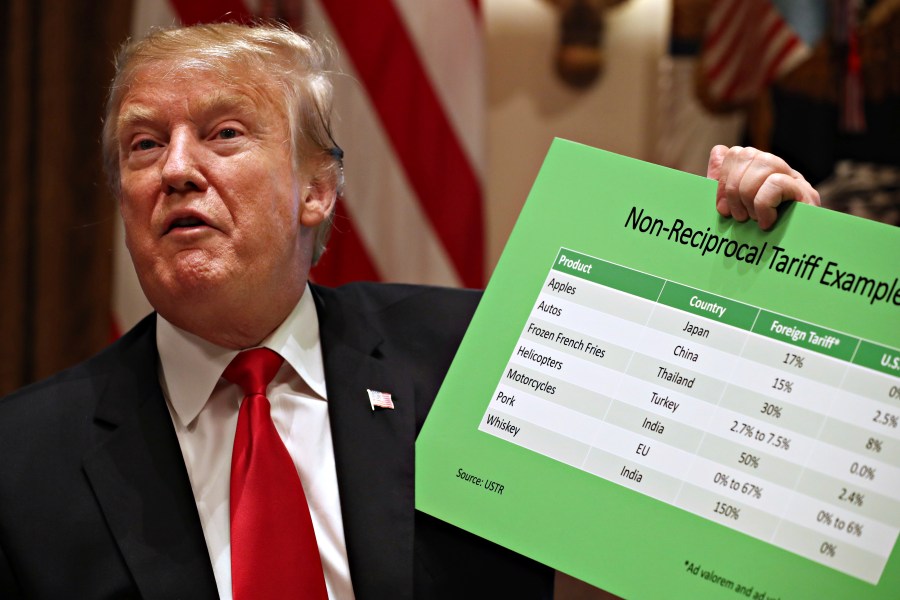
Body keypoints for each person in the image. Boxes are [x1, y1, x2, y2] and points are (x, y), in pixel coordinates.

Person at [0, 22, 820, 600]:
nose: (176, 168)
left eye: (222, 133)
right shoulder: (22, 458)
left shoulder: (479, 354)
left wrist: (778, 268)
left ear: (316, 189)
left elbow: (718, 515)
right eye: (144, 144)